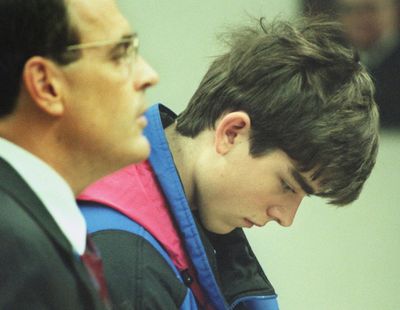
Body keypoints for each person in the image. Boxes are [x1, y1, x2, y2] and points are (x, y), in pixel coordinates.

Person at [78, 17, 379, 310]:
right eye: (287, 185)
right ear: (232, 132)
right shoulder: (127, 265)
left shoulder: (170, 232)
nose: (286, 218)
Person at [0, 0, 158, 308]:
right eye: (120, 54)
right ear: (47, 86)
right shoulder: (16, 253)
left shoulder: (34, 233)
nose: (149, 75)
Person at [335, 0, 400, 127]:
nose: (358, 18)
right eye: (348, 10)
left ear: (395, 10)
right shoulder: (330, 60)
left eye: (369, 9)